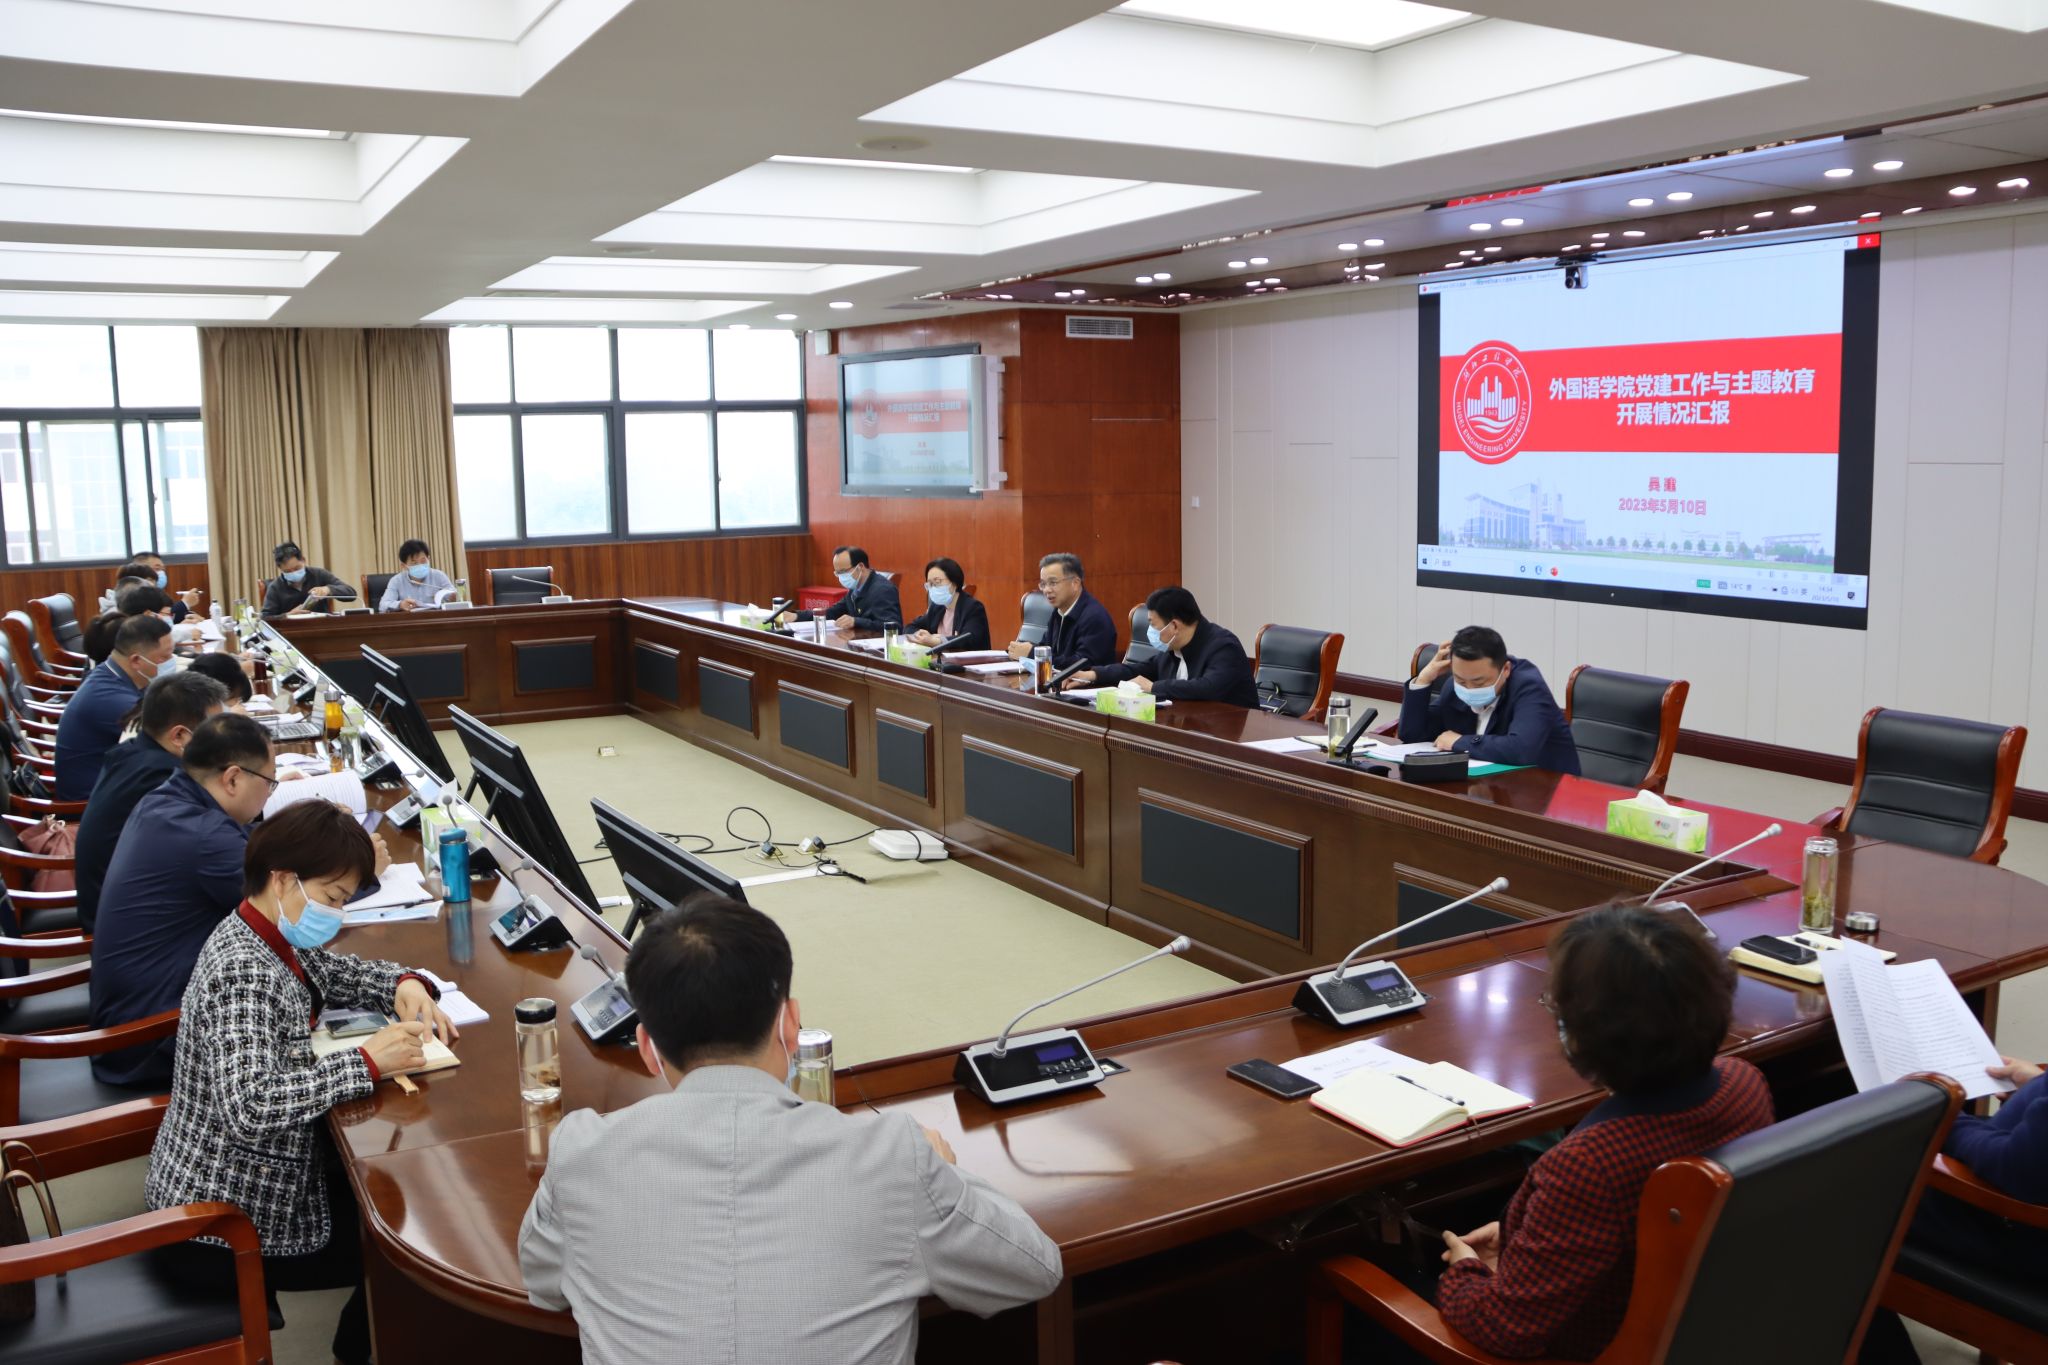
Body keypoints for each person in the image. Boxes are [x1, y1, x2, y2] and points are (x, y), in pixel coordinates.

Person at [520, 894, 1062, 1361]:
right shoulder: (893, 1157)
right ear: (791, 1025)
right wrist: (943, 1173)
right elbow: (1034, 1268)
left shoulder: (581, 1152)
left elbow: (543, 1285)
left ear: (646, 1047)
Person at [145, 800, 456, 1365]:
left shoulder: (263, 930)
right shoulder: (243, 969)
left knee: (398, 1197)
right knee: (408, 1245)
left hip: (249, 1177)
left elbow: (337, 972)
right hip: (226, 1219)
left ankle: (359, 1343)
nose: (336, 914)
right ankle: (356, 1352)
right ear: (284, 879)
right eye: (333, 898)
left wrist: (405, 982)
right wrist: (366, 1062)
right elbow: (251, 1104)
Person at [1430, 905, 1773, 1359]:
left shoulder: (1589, 1166)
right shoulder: (1745, 1083)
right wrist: (1526, 1237)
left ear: (1584, 1034)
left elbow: (1503, 1329)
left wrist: (1466, 1270)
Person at [90, 713, 387, 1086]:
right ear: (232, 779)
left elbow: (258, 851)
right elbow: (288, 894)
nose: (271, 794)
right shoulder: (204, 839)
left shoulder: (171, 800)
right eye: (269, 782)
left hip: (139, 1007)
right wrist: (357, 869)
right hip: (150, 1035)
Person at [1858, 1052, 2048, 1362]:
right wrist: (2037, 1086)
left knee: (1840, 1208)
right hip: (2025, 1191)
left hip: (2018, 1231)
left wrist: (1945, 1115)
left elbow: (2016, 1170)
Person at [75, 671, 231, 933]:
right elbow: (214, 841)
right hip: (129, 926)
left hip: (111, 901)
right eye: (216, 730)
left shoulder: (132, 752)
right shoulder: (162, 778)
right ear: (179, 736)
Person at [1399, 626, 1581, 774]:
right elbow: (1413, 735)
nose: (1468, 689)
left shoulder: (1529, 687)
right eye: (1460, 680)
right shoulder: (1454, 687)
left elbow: (1521, 750)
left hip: (1547, 792)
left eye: (1479, 682)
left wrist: (1459, 742)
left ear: (1506, 670)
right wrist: (1423, 680)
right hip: (1486, 787)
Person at [1063, 585, 1256, 706]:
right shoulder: (1173, 648)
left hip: (1232, 737)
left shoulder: (1223, 646)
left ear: (1174, 626)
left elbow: (1208, 688)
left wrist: (1153, 687)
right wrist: (1093, 675)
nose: (1150, 631)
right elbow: (1137, 670)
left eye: (1153, 625)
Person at [53, 612, 173, 801]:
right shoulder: (110, 698)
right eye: (165, 657)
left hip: (116, 785)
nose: (171, 661)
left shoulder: (114, 674)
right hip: (90, 803)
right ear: (136, 660)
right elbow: (171, 740)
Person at [1006, 552, 1117, 670]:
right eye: (1043, 584)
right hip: (1058, 680)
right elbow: (1046, 647)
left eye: (1053, 583)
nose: (1046, 590)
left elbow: (1081, 665)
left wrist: (1032, 653)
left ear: (1075, 583)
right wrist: (1020, 650)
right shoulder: (1058, 612)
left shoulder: (1094, 617)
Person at [801, 545, 902, 632]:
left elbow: (894, 626)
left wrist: (856, 621)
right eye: (837, 573)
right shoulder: (854, 589)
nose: (841, 577)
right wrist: (797, 616)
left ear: (860, 566)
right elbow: (832, 612)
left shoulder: (883, 590)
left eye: (843, 571)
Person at [906, 556, 990, 651]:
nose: (933, 588)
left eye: (937, 582)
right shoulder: (937, 607)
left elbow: (969, 640)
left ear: (954, 583)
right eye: (930, 584)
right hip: (939, 659)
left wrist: (938, 641)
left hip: (969, 660)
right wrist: (920, 635)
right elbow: (910, 627)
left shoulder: (973, 608)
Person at [261, 541, 355, 617]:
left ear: (303, 560)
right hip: (291, 631)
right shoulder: (275, 587)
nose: (293, 573)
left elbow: (351, 594)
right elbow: (265, 618)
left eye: (297, 568)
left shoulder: (319, 574)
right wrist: (287, 615)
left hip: (321, 627)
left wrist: (328, 589)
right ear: (280, 568)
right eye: (287, 571)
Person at [379, 538, 455, 612]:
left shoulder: (439, 576)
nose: (419, 565)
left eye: (423, 561)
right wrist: (400, 604)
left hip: (435, 618)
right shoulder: (396, 581)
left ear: (428, 559)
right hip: (410, 619)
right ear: (404, 566)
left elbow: (454, 595)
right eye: (414, 563)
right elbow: (383, 606)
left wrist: (453, 598)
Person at [134, 550, 204, 622]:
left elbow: (168, 613)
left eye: (163, 569)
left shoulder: (160, 594)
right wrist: (185, 603)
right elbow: (161, 618)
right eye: (157, 569)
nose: (161, 573)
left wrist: (189, 615)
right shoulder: (136, 596)